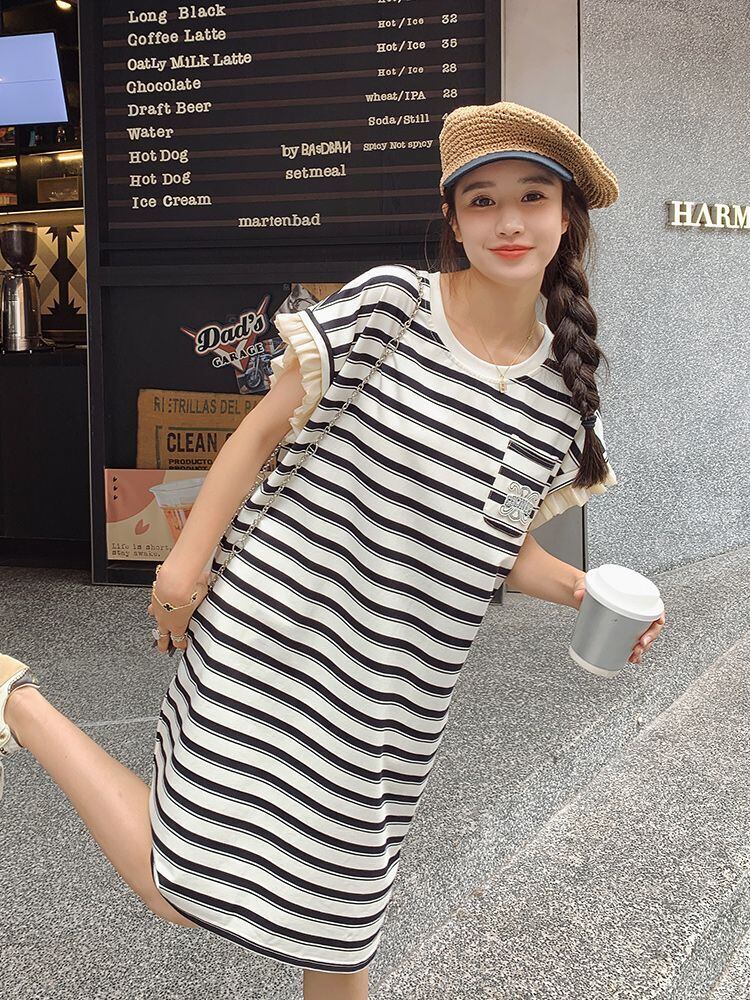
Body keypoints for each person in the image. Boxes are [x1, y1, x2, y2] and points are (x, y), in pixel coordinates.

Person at [0, 101, 666, 1000]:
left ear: (565, 217)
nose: (508, 222)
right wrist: (183, 568)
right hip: (277, 625)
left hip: (399, 685)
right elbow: (257, 433)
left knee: (342, 920)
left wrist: (586, 589)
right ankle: (19, 700)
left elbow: (492, 542)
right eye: (482, 201)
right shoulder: (393, 306)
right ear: (453, 218)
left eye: (531, 198)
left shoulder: (564, 398)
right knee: (179, 882)